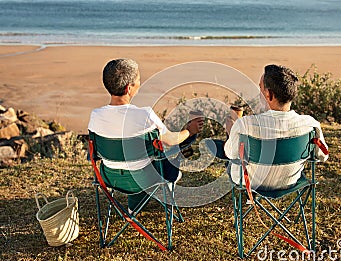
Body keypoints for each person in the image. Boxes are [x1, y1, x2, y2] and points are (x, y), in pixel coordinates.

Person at [88, 58, 203, 211]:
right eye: (138, 80)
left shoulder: (96, 116)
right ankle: (165, 193)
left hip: (110, 177)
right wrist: (190, 131)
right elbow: (171, 140)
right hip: (144, 179)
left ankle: (134, 207)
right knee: (169, 159)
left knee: (137, 160)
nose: (139, 84)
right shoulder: (144, 115)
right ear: (129, 88)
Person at [224, 64, 328, 191]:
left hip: (251, 183)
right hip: (290, 181)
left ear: (269, 94)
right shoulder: (310, 124)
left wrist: (232, 132)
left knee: (230, 163)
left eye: (260, 88)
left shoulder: (245, 125)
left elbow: (231, 154)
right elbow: (323, 156)